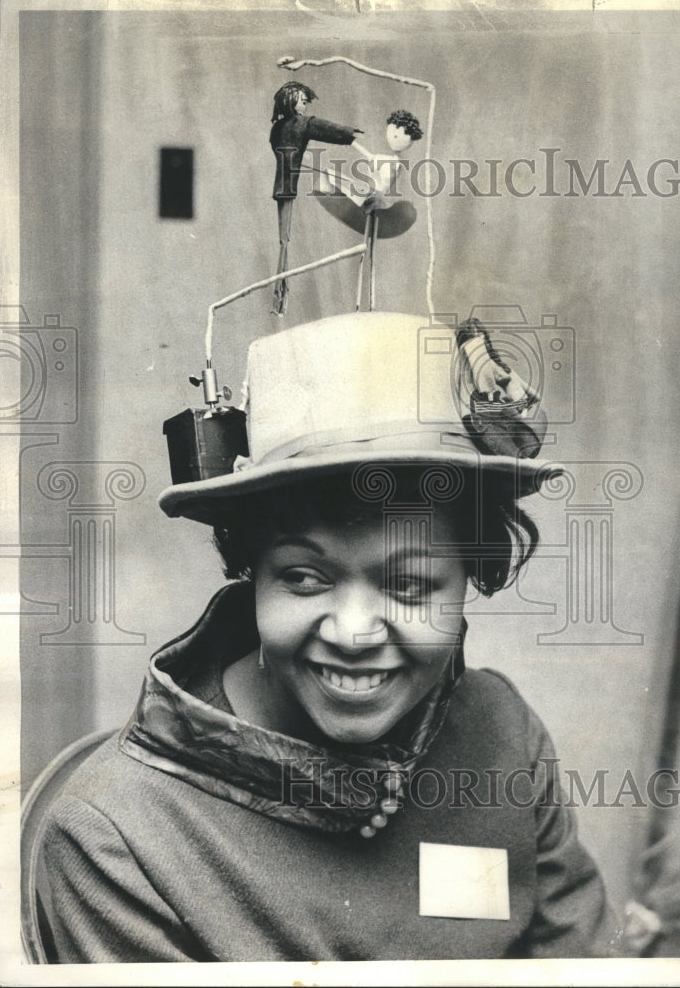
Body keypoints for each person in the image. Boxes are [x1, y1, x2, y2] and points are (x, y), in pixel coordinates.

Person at [40, 311, 621, 962]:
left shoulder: (502, 731)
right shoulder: (116, 836)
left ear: (469, 580)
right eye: (304, 577)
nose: (351, 633)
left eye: (408, 586)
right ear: (248, 569)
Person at [269, 81, 364, 314]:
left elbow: (285, 151)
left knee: (284, 238)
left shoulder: (277, 128)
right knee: (285, 238)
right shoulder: (300, 124)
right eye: (302, 101)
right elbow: (323, 128)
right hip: (287, 183)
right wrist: (349, 135)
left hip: (283, 184)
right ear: (291, 101)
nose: (304, 105)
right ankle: (281, 293)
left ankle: (280, 293)